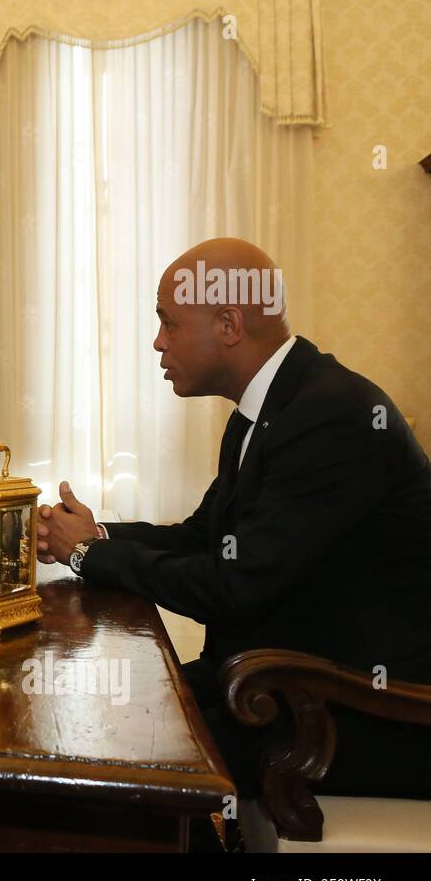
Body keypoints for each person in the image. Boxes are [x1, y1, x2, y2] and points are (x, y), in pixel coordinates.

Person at [37, 237, 431, 800]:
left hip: (355, 713)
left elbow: (236, 585)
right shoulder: (266, 409)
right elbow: (205, 538)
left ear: (228, 323)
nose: (157, 342)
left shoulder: (331, 415)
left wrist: (89, 555)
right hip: (278, 680)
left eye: (168, 324)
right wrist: (92, 535)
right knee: (92, 703)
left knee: (106, 746)